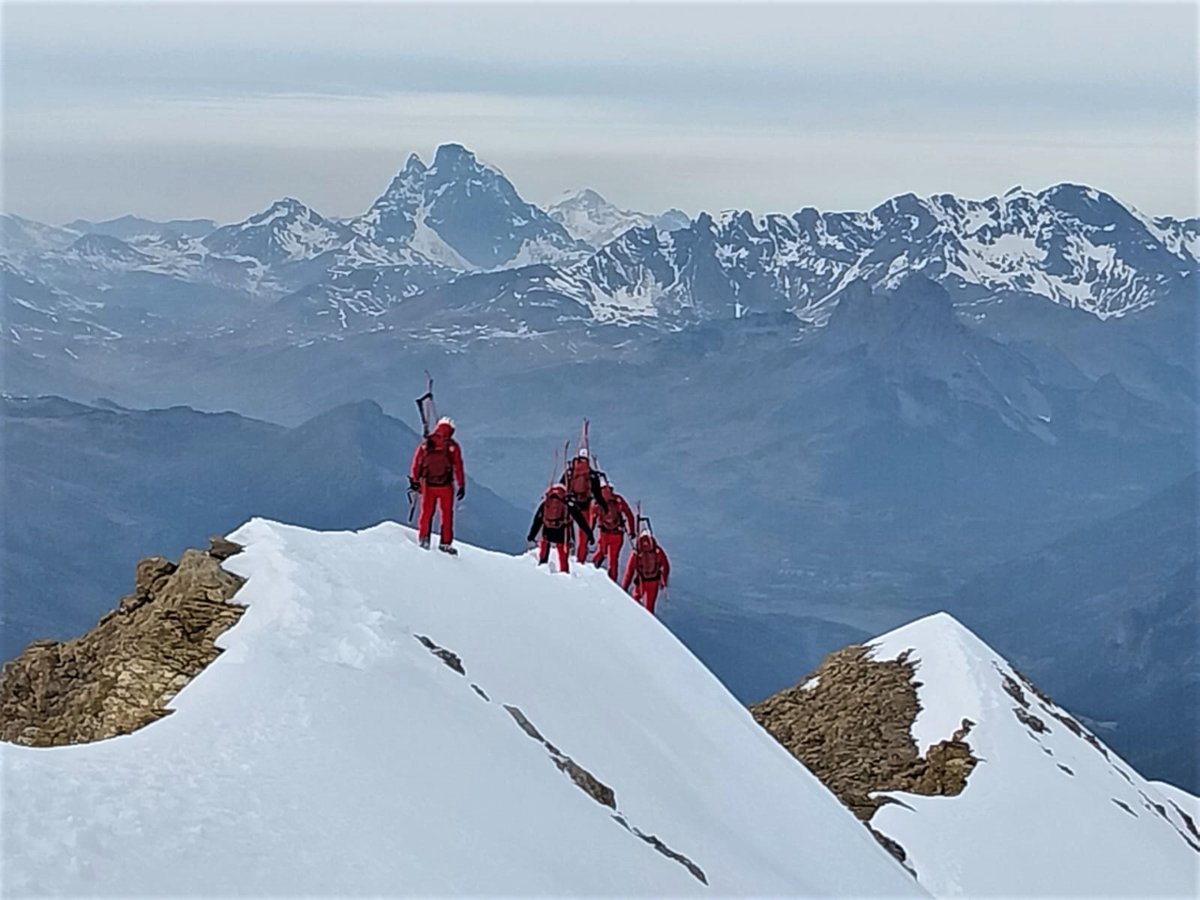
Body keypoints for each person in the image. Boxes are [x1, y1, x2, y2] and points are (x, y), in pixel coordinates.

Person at [409, 416, 465, 554]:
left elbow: (417, 463)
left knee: (426, 513)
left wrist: (414, 481)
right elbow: (458, 466)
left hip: (428, 485)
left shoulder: (426, 444)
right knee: (446, 514)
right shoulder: (452, 446)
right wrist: (461, 485)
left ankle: (424, 539)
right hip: (445, 486)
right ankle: (445, 543)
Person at [527, 484, 593, 574]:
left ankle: (541, 569)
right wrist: (589, 534)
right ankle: (564, 575)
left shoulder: (546, 502)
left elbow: (538, 520)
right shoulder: (567, 503)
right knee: (562, 558)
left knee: (544, 551)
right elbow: (580, 520)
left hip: (547, 532)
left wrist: (532, 535)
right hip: (562, 534)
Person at [561, 448, 607, 563]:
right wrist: (604, 506)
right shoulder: (591, 474)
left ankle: (567, 549)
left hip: (571, 505)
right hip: (585, 506)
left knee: (567, 526)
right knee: (583, 533)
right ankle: (580, 559)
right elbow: (598, 495)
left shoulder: (570, 472)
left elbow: (562, 488)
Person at [591, 482, 635, 580]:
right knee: (613, 560)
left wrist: (590, 533)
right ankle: (612, 582)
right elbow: (629, 514)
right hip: (617, 533)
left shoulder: (598, 501)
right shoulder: (618, 499)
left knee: (600, 552)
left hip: (604, 533)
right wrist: (632, 531)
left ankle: (590, 570)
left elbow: (592, 519)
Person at [622, 530, 670, 615]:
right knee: (649, 607)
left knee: (634, 602)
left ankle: (633, 619)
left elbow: (629, 571)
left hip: (640, 581)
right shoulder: (657, 551)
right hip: (653, 582)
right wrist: (664, 581)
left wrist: (624, 587)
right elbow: (665, 566)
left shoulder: (636, 553)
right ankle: (648, 625)